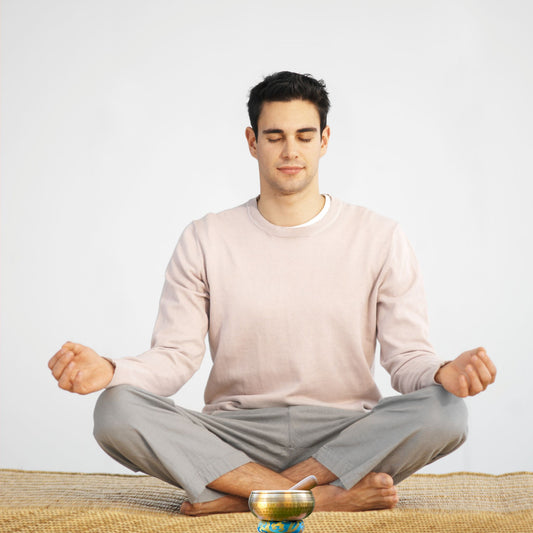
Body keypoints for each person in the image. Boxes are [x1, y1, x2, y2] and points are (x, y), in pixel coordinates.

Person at [48, 71, 497, 515]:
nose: (290, 151)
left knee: (446, 411)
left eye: (304, 136)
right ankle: (314, 499)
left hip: (344, 435)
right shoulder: (206, 238)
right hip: (234, 436)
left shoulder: (380, 237)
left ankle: (240, 497)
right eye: (275, 136)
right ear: (252, 141)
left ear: (324, 140)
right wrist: (109, 370)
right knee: (116, 409)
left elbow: (406, 359)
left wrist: (443, 372)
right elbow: (173, 358)